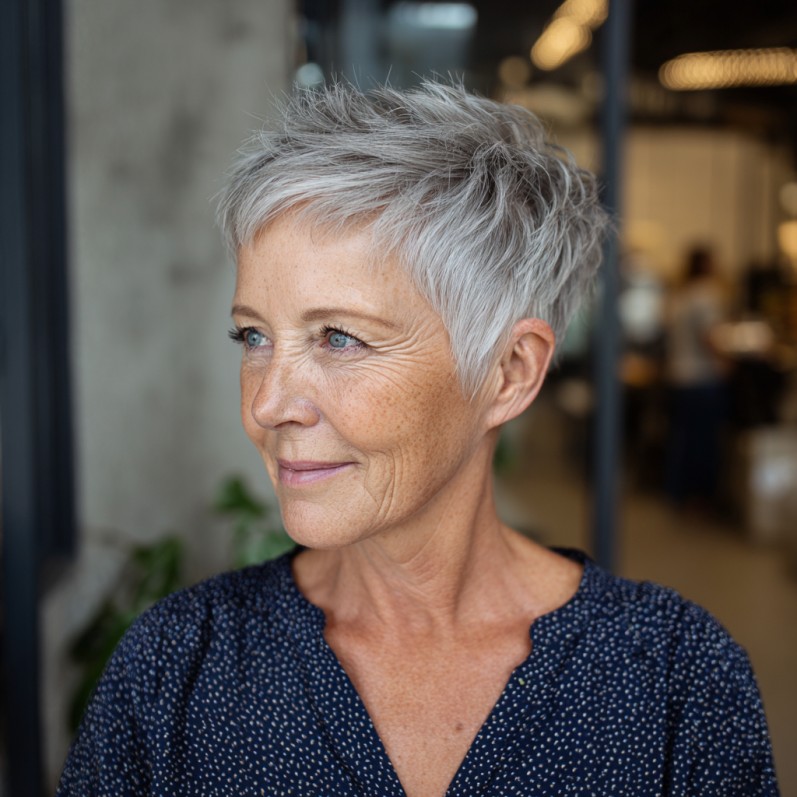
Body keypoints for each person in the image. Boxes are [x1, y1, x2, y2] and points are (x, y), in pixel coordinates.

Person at [57, 83, 779, 796]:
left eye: (339, 337)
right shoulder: (173, 670)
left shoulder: (676, 685)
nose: (268, 404)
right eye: (253, 336)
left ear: (507, 371)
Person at [665, 245, 730, 511]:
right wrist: (726, 362)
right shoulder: (705, 295)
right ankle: (698, 499)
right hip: (701, 379)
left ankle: (677, 492)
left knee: (683, 438)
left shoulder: (681, 295)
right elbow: (709, 337)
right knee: (702, 442)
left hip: (679, 376)